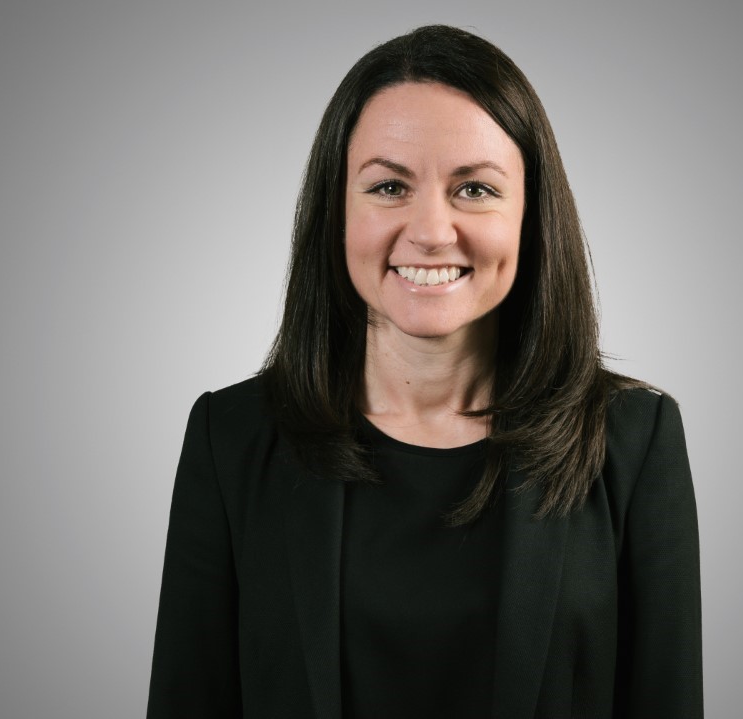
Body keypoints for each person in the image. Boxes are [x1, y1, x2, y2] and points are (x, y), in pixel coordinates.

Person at [147, 24, 702, 719]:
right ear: (337, 211)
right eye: (387, 185)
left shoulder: (634, 443)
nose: (432, 229)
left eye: (474, 188)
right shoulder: (226, 441)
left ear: (531, 215)